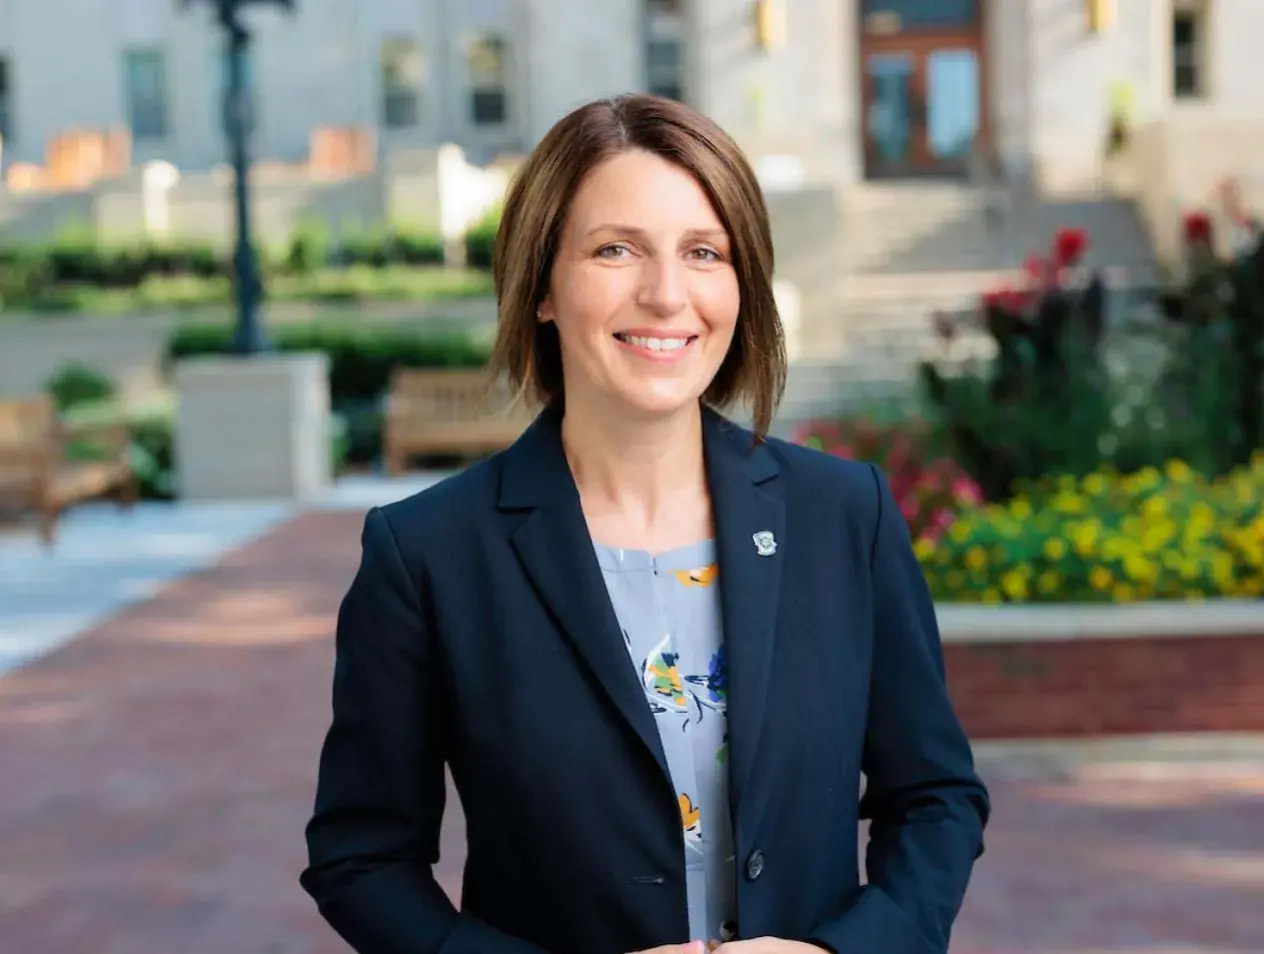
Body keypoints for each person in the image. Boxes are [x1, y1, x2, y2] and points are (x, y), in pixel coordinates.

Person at [300, 93, 990, 954]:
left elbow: (935, 799)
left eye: (705, 253)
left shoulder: (847, 517)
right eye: (615, 249)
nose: (667, 295)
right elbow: (360, 860)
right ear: (542, 285)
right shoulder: (428, 555)